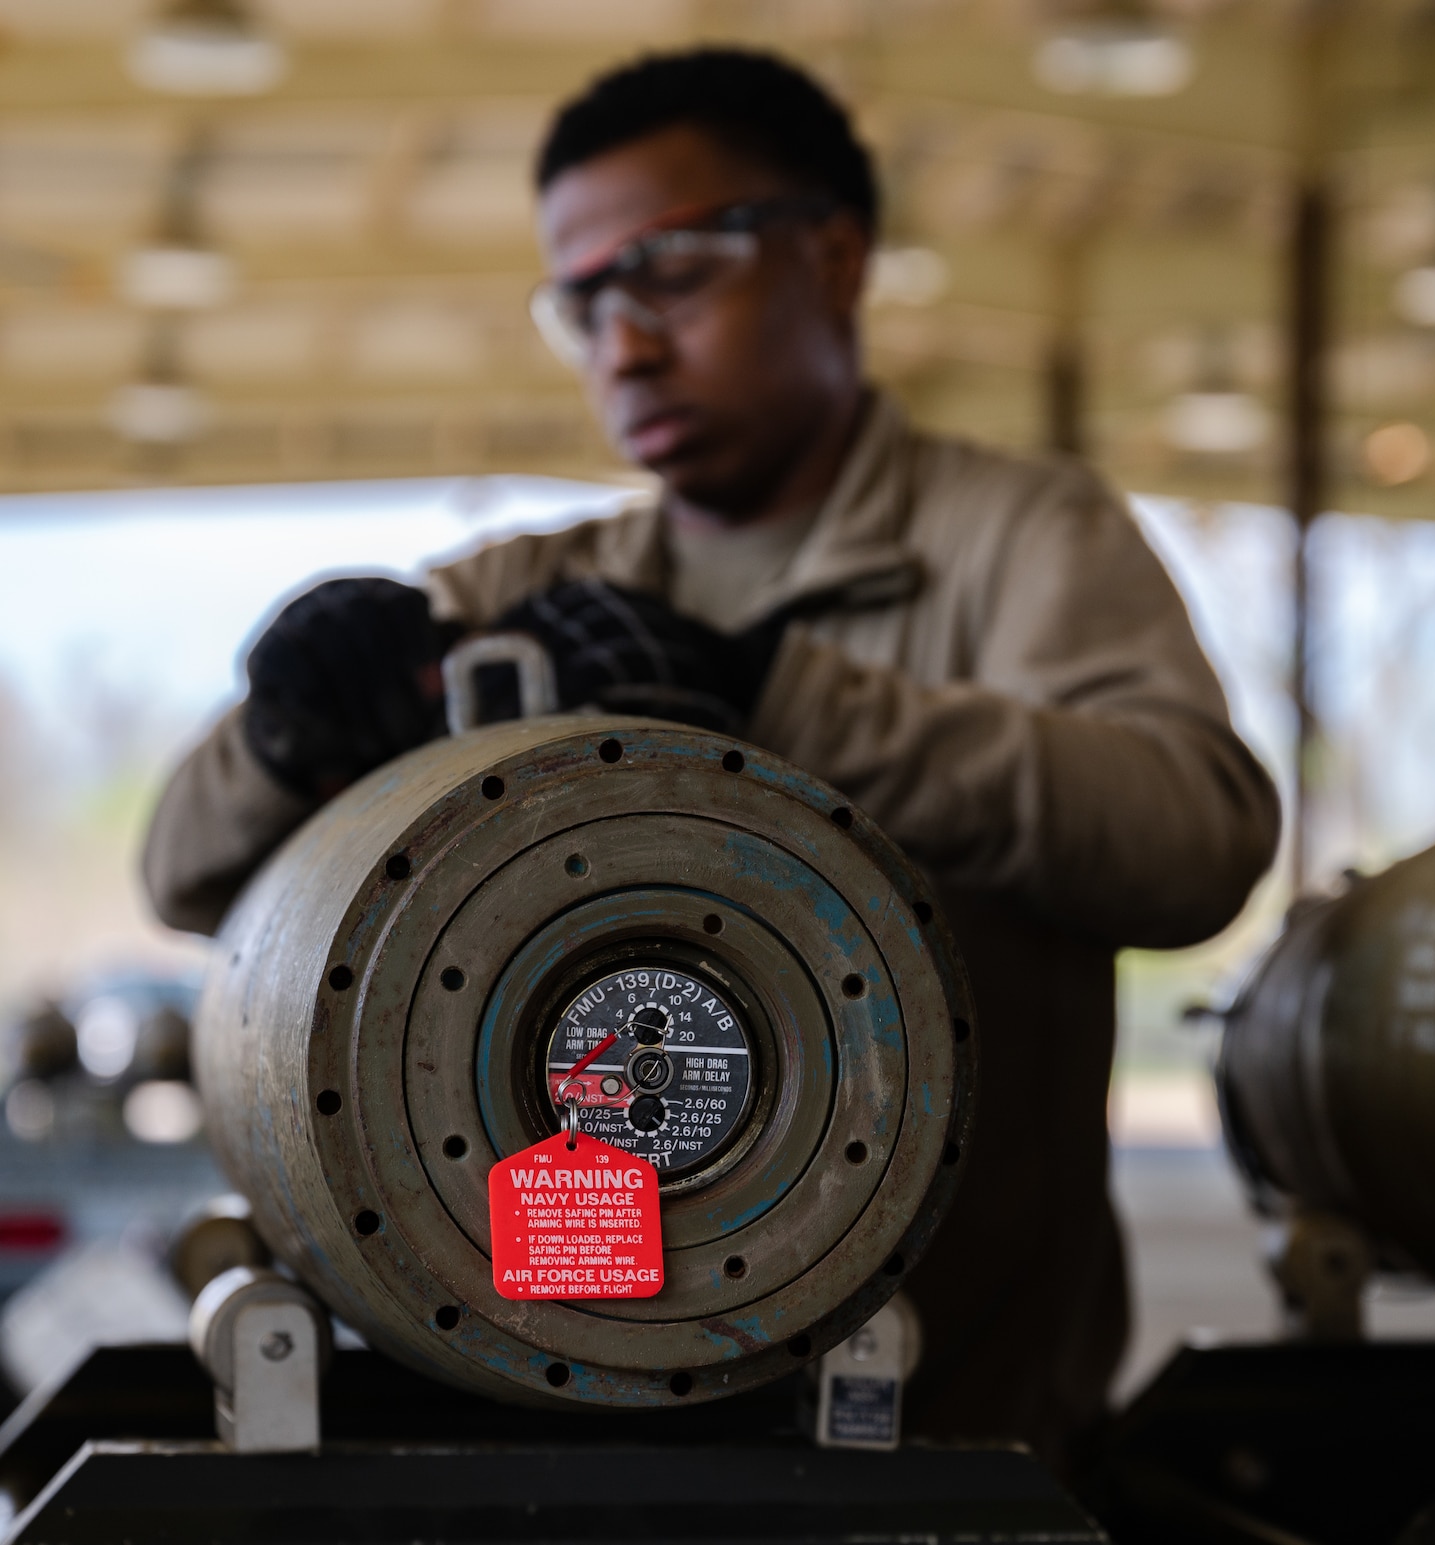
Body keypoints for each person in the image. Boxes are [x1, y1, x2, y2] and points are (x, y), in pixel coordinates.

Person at [142, 47, 1280, 1469]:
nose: (624, 342)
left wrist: (780, 696)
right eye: (584, 301)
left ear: (836, 257)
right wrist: (284, 732)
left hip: (951, 1432)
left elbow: (1201, 836)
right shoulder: (532, 586)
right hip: (548, 1411)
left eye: (670, 273)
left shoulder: (1018, 540)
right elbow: (183, 871)